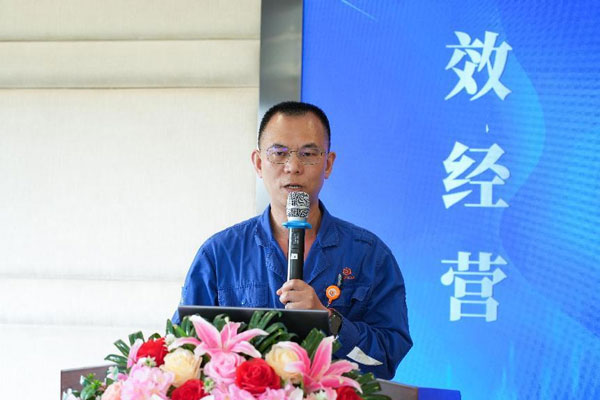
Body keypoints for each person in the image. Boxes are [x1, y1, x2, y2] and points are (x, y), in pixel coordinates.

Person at [172, 101, 412, 379]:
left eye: (308, 154)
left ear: (328, 164)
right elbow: (182, 351)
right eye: (279, 153)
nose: (293, 166)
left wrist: (330, 321)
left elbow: (386, 359)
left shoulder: (369, 255)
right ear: (259, 163)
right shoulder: (219, 254)